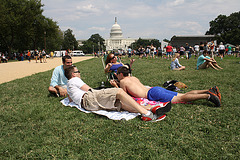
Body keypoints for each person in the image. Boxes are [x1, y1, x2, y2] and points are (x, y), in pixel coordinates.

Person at [65, 65, 172, 122]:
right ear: (73, 74)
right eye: (77, 71)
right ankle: (147, 114)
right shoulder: (74, 80)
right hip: (89, 98)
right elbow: (89, 90)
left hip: (88, 105)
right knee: (119, 92)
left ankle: (151, 108)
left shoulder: (68, 85)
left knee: (122, 105)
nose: (79, 73)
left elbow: (70, 99)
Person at [110, 66, 221, 107]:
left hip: (152, 94)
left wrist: (116, 85)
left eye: (117, 75)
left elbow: (123, 95)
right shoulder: (133, 78)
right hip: (154, 89)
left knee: (181, 98)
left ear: (120, 74)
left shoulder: (123, 82)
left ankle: (207, 96)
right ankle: (209, 90)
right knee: (184, 94)